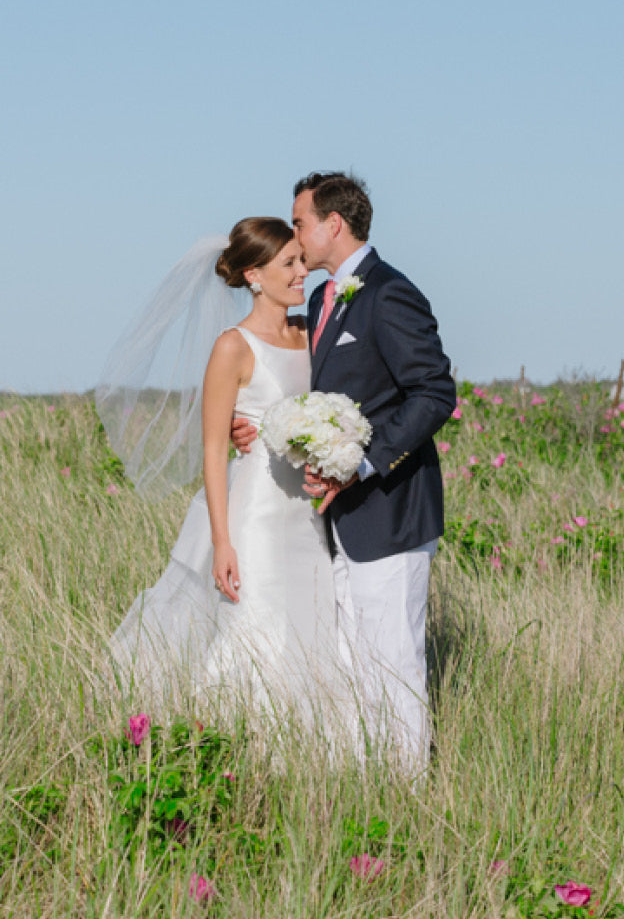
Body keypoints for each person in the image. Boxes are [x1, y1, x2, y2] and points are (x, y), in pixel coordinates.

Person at [233, 173, 455, 772]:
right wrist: (261, 422)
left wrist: (363, 461)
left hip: (391, 510)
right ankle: (368, 784)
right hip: (338, 518)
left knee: (394, 661)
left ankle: (407, 790)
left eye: (300, 223)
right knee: (355, 663)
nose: (296, 236)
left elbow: (434, 392)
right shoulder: (318, 301)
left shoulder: (389, 292)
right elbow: (312, 390)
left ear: (335, 224)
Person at [102, 218, 340, 726]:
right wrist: (222, 541)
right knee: (259, 623)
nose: (303, 273)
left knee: (311, 623)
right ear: (254, 276)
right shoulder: (232, 347)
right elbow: (214, 452)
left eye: (302, 260)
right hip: (255, 512)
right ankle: (244, 737)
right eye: (290, 264)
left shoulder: (309, 334)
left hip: (310, 512)